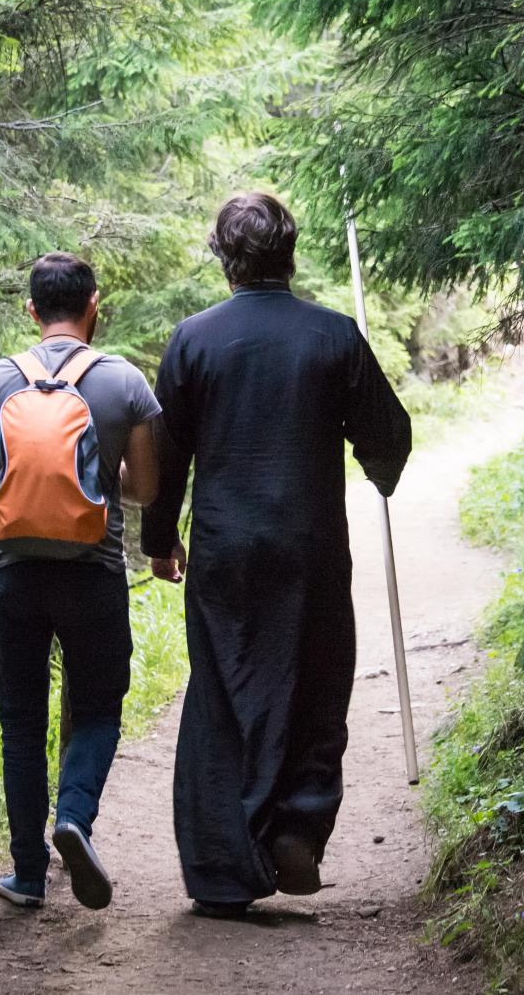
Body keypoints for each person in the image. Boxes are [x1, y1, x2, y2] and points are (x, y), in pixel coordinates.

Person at [143, 192, 411, 918]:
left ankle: (225, 869)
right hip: (311, 545)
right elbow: (388, 433)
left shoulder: (192, 340)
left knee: (224, 693)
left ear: (224, 259)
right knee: (317, 679)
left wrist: (159, 538)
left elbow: (166, 458)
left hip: (226, 549)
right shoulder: (334, 336)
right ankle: (297, 822)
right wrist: (381, 466)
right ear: (288, 253)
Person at [0, 252, 162, 910]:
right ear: (93, 304)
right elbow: (147, 491)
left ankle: (26, 875)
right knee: (99, 707)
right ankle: (73, 816)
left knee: (20, 722)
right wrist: (102, 476)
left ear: (31, 311)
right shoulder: (125, 382)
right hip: (92, 573)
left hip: (14, 575)